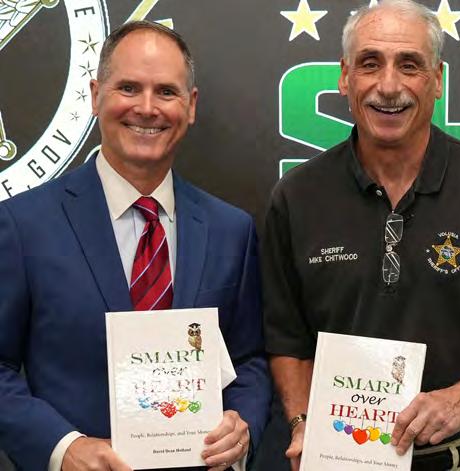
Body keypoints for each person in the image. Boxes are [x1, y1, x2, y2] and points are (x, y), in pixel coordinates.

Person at [261, 1, 460, 470]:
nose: (389, 86)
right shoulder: (297, 197)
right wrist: (302, 421)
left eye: (409, 65)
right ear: (345, 77)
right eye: (369, 63)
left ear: (438, 79)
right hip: (340, 458)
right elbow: (286, 339)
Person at [0, 21, 271, 471]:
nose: (146, 108)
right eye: (128, 88)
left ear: (191, 106)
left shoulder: (231, 230)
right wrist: (63, 448)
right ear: (95, 95)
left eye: (166, 92)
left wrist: (242, 426)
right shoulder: (23, 224)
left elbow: (249, 361)